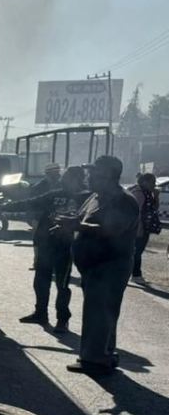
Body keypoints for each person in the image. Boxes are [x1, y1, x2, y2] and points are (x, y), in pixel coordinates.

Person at [57, 155, 140, 375]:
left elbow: (112, 230)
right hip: (94, 266)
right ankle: (105, 354)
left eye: (94, 172)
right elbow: (83, 219)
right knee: (101, 312)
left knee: (99, 312)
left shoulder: (124, 200)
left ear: (109, 174)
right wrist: (68, 224)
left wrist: (77, 226)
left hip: (110, 266)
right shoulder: (96, 196)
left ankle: (94, 360)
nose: (89, 176)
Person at [12, 166, 88, 333]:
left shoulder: (87, 198)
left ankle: (62, 319)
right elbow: (29, 202)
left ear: (76, 179)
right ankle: (40, 313)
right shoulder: (55, 194)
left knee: (62, 285)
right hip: (46, 243)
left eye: (66, 177)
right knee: (41, 281)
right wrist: (2, 206)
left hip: (66, 247)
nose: (62, 179)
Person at [128, 173, 161, 284]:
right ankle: (136, 275)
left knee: (137, 251)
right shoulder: (139, 193)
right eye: (152, 182)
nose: (154, 184)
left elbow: (154, 209)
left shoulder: (147, 193)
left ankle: (134, 274)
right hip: (139, 228)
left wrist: (156, 196)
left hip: (144, 228)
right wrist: (138, 229)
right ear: (144, 182)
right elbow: (137, 213)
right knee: (136, 252)